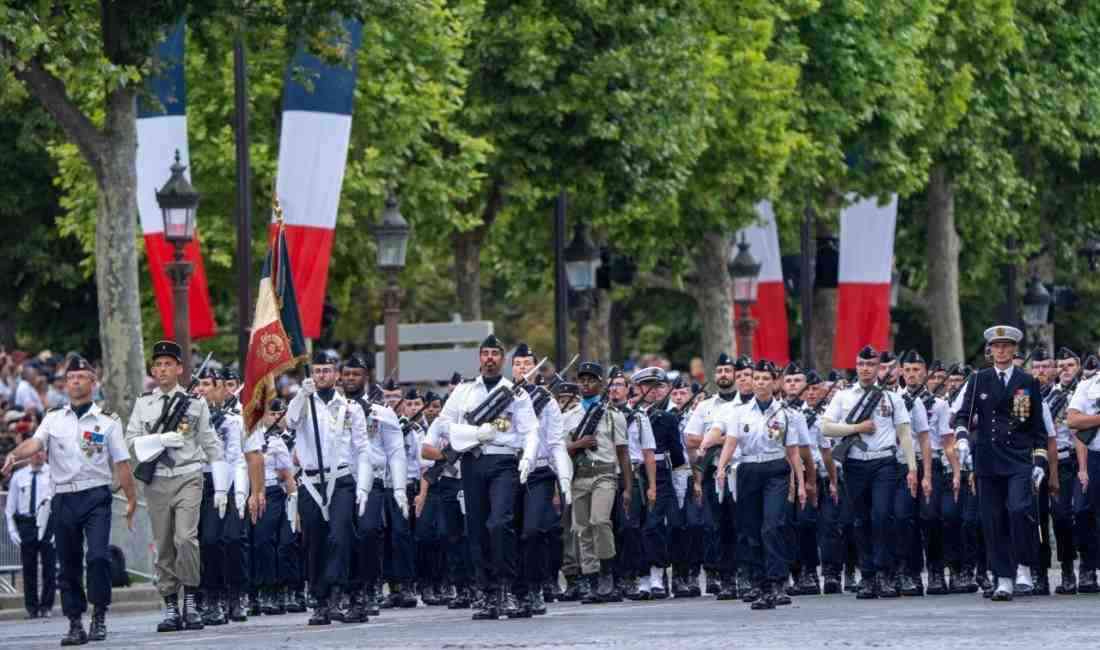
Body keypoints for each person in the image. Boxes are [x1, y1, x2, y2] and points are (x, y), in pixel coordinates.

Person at [3, 355, 138, 645]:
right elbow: (35, 443)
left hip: (96, 494)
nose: (75, 381)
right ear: (65, 385)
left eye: (81, 377)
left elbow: (122, 463)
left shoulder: (107, 422)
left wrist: (131, 500)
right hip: (63, 496)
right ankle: (75, 622)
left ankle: (99, 614)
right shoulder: (53, 418)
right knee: (68, 563)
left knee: (98, 556)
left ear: (93, 382)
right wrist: (15, 456)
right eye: (70, 378)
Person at [431, 334, 538, 620]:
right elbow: (443, 423)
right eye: (485, 353)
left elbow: (530, 431)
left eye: (495, 353)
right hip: (472, 460)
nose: (490, 358)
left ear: (502, 359)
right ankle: (489, 593)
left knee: (499, 523)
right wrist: (473, 433)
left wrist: (528, 457)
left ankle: (509, 589)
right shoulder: (464, 391)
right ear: (479, 358)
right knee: (477, 529)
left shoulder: (516, 393)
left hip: (503, 461)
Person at [127, 342, 228, 633]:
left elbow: (210, 444)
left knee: (186, 538)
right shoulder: (143, 403)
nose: (162, 370)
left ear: (180, 368)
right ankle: (171, 603)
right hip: (157, 478)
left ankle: (192, 599)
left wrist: (221, 488)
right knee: (164, 545)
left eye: (168, 364)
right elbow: (131, 440)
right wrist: (159, 441)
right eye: (157, 364)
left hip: (188, 476)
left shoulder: (196, 403)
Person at [953, 325, 1047, 601]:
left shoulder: (1027, 381)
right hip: (988, 459)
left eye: (1007, 346)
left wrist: (1039, 461)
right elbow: (963, 415)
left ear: (1015, 349)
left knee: (1019, 511)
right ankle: (1003, 577)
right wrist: (960, 438)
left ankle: (1023, 567)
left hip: (1018, 458)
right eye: (997, 346)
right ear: (990, 350)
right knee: (992, 520)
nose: (1002, 351)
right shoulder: (979, 379)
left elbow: (1037, 426)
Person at [822, 345, 915, 599]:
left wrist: (912, 467)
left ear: (878, 368)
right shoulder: (843, 396)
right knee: (860, 520)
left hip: (884, 462)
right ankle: (868, 576)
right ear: (856, 366)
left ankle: (885, 573)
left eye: (871, 365)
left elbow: (905, 432)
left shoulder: (892, 397)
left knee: (882, 516)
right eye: (861, 365)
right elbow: (826, 428)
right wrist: (856, 428)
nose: (865, 369)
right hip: (855, 463)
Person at [286, 349, 371, 625]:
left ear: (336, 375)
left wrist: (364, 486)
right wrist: (301, 395)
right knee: (314, 541)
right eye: (317, 370)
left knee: (339, 536)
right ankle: (320, 601)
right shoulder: (303, 403)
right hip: (311, 481)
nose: (322, 375)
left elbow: (362, 449)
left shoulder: (350, 407)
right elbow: (291, 422)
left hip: (341, 479)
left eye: (327, 370)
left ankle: (337, 592)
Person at [715, 360, 808, 609]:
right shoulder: (740, 413)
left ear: (774, 382)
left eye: (766, 379)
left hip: (776, 469)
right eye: (756, 378)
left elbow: (793, 452)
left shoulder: (786, 413)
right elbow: (731, 443)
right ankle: (759, 583)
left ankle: (778, 581)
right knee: (751, 530)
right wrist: (721, 468)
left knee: (773, 525)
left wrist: (800, 483)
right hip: (749, 470)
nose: (760, 383)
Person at [340, 354, 407, 619]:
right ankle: (348, 592)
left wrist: (399, 487)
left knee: (368, 532)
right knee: (343, 537)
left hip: (373, 481)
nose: (350, 379)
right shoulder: (333, 410)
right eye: (346, 374)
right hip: (342, 480)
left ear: (365, 377)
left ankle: (369, 589)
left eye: (355, 374)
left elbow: (396, 450)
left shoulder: (381, 412)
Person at [563, 362, 630, 604]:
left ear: (601, 383)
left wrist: (629, 487)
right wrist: (579, 444)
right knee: (582, 529)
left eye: (591, 379)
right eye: (582, 379)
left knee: (600, 521)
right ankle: (591, 579)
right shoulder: (569, 417)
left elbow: (622, 452)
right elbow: (561, 451)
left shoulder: (613, 415)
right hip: (579, 476)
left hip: (605, 474)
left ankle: (606, 574)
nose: (586, 384)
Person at [685, 353, 747, 599]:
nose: (723, 374)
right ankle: (727, 578)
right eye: (719, 370)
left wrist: (720, 439)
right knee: (718, 526)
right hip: (714, 473)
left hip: (742, 470)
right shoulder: (705, 405)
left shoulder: (746, 402)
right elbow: (690, 438)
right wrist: (725, 439)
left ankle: (747, 575)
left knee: (743, 525)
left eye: (728, 370)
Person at [516, 344, 570, 615]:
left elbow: (555, 442)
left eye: (527, 364)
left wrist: (563, 480)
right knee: (509, 532)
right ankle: (516, 589)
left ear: (536, 369)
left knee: (533, 531)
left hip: (539, 473)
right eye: (518, 364)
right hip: (509, 472)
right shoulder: (502, 397)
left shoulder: (546, 401)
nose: (522, 369)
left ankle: (536, 587)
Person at [635, 367, 686, 599]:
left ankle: (656, 573)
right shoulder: (630, 415)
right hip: (635, 471)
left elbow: (677, 455)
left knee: (654, 524)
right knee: (633, 525)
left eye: (658, 387)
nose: (653, 392)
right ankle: (641, 575)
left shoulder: (668, 419)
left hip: (661, 472)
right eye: (647, 386)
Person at [249, 399, 299, 614]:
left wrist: (294, 508)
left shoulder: (276, 442)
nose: (273, 418)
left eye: (275, 414)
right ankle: (257, 591)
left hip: (271, 493)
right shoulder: (248, 439)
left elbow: (288, 477)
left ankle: (276, 590)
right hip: (248, 493)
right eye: (269, 414)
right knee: (256, 544)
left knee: (271, 542)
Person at [5, 444, 55, 619]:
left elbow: (58, 503)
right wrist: (12, 530)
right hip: (26, 523)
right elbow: (10, 507)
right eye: (34, 452)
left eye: (41, 452)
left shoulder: (53, 474)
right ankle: (32, 608)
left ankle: (47, 606)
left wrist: (56, 529)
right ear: (29, 456)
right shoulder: (19, 476)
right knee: (29, 567)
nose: (38, 455)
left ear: (46, 454)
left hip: (48, 522)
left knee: (49, 566)